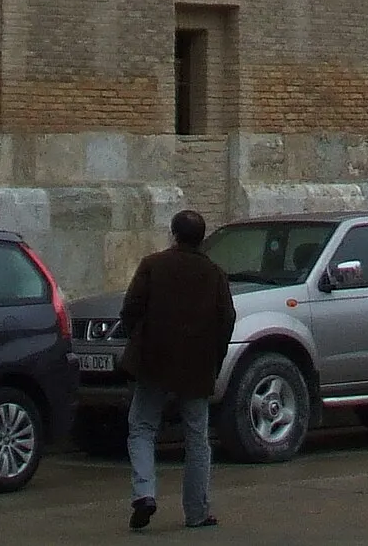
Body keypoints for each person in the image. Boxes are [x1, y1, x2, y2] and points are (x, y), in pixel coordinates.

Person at [120, 206, 236, 532]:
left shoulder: (153, 265)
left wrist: (139, 339)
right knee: (197, 437)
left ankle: (144, 493)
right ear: (201, 239)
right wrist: (215, 356)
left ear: (173, 234)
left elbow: (130, 308)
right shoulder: (214, 274)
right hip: (197, 366)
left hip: (154, 360)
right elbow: (227, 319)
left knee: (142, 427)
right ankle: (197, 511)